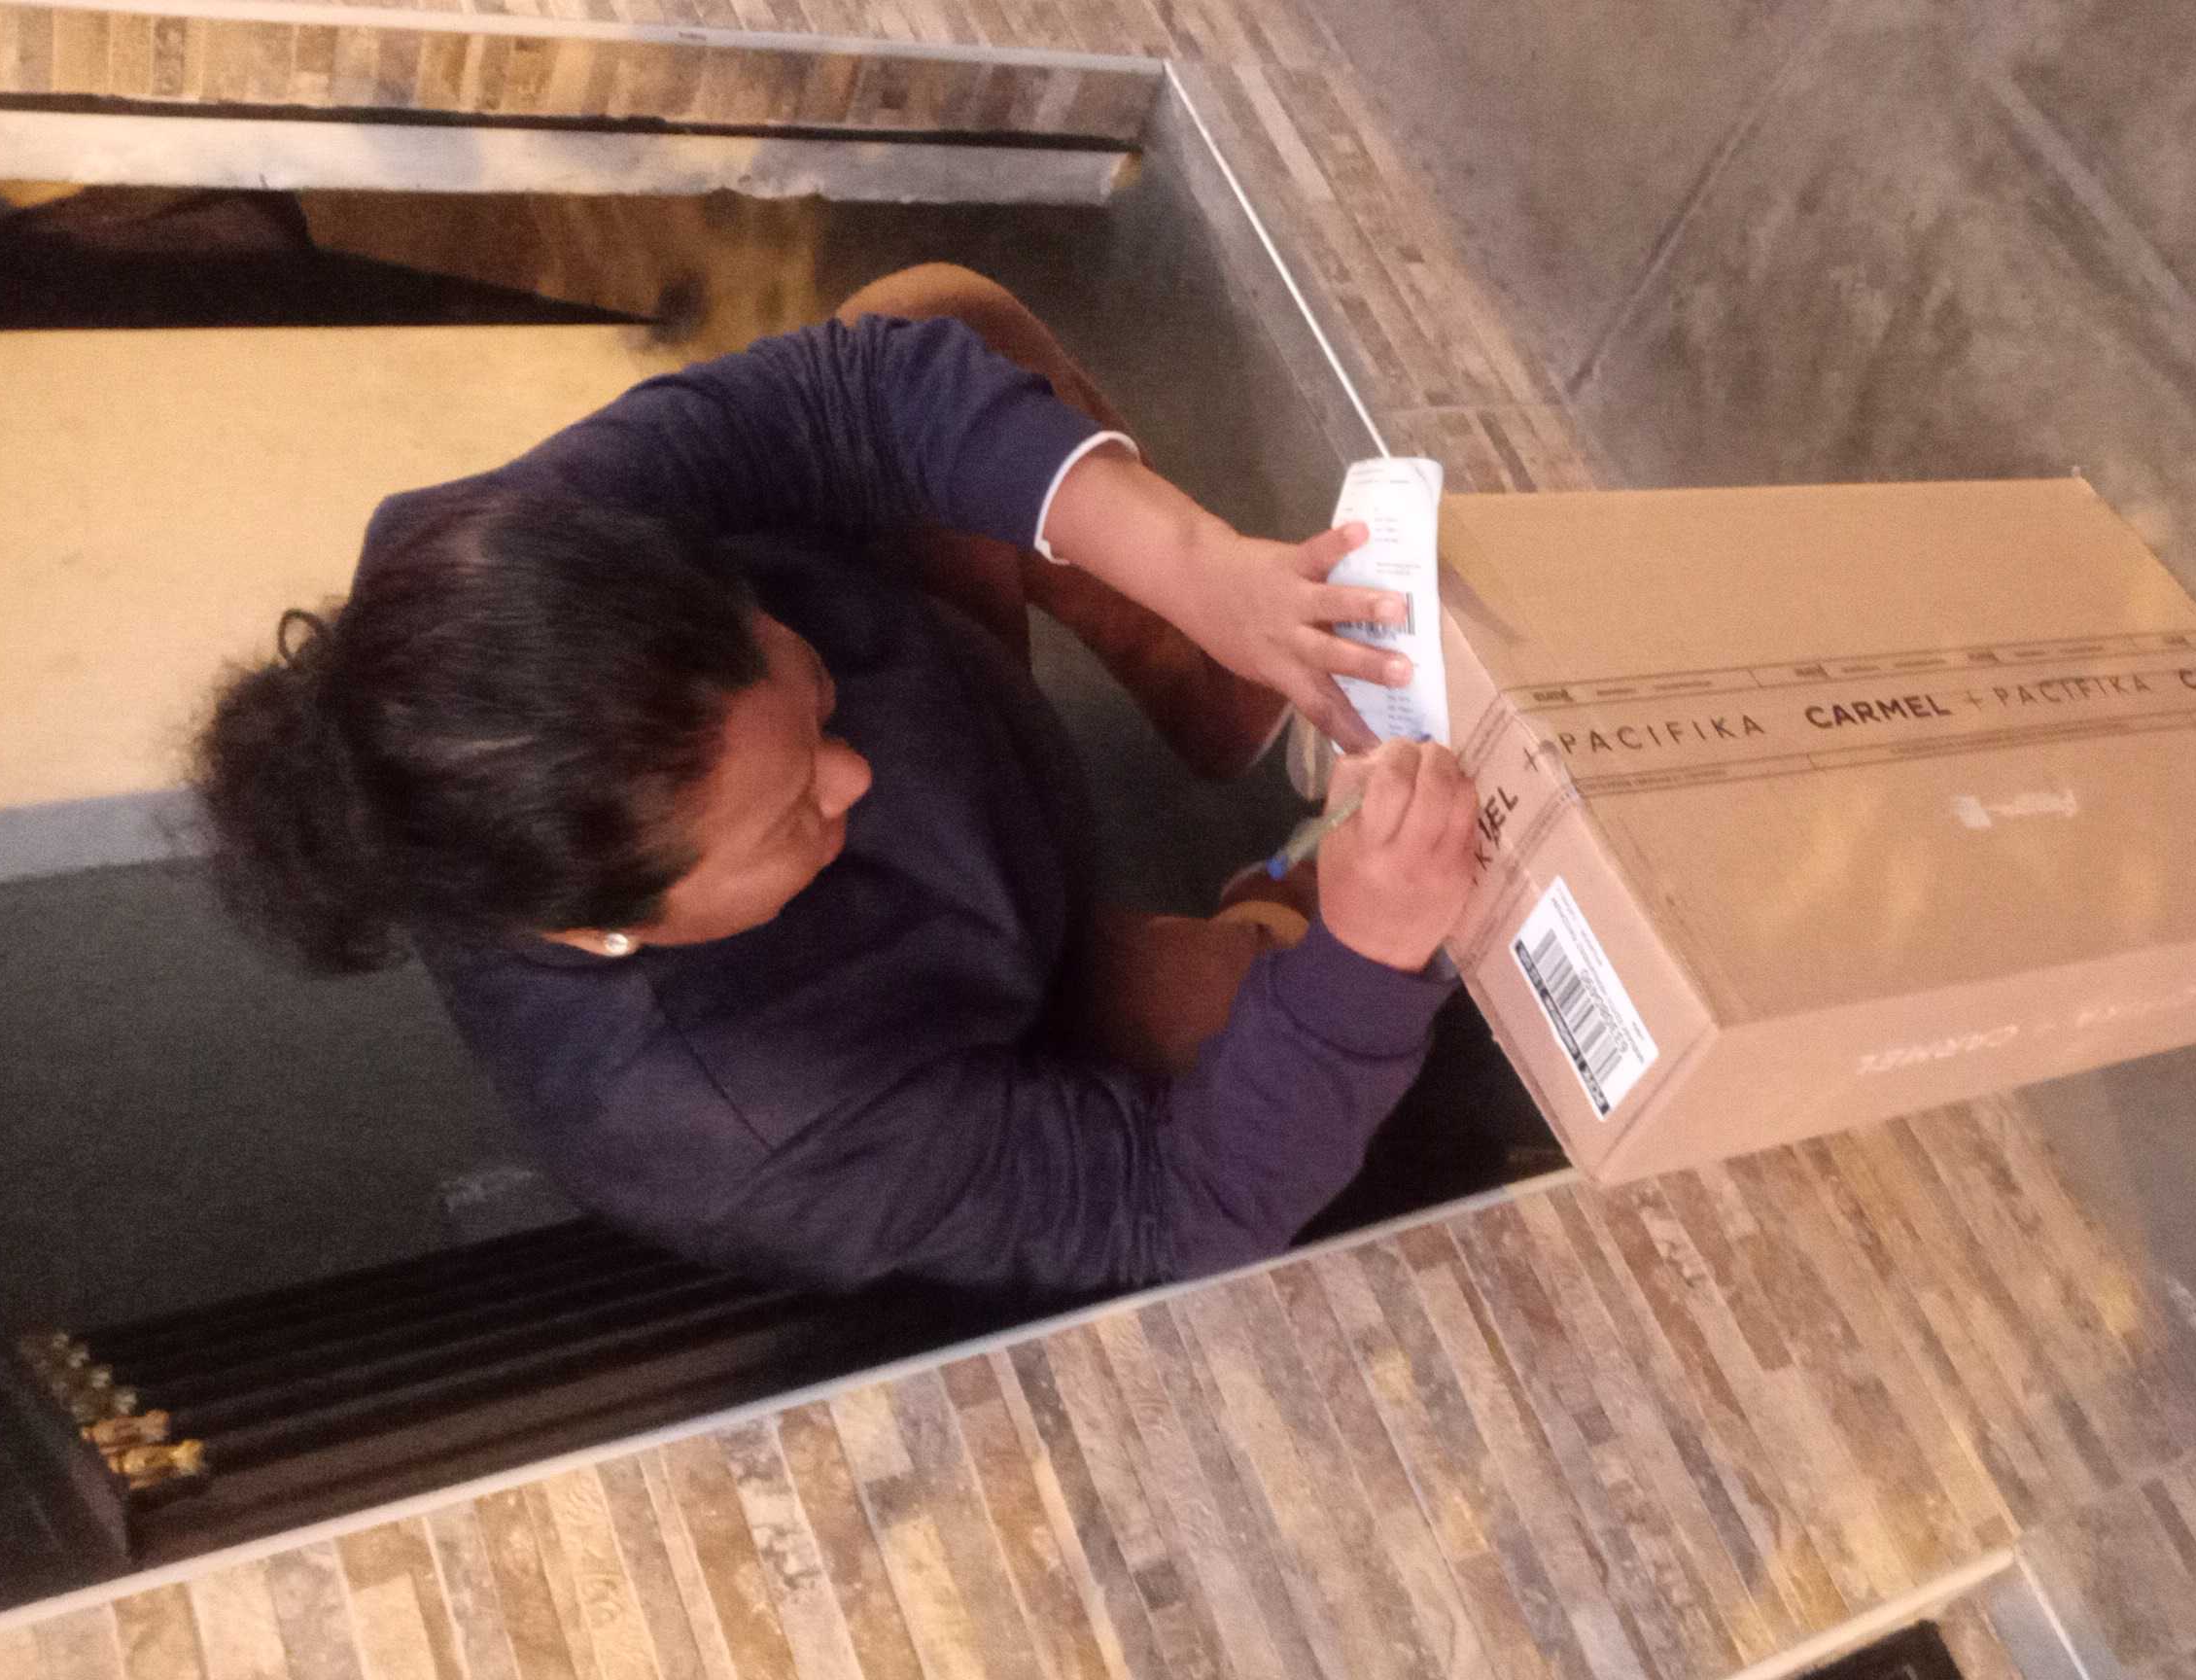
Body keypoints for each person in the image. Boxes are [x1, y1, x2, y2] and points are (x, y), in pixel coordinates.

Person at [192, 263, 1481, 1296]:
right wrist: (1365, 953)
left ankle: (1223, 676)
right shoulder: (733, 1127)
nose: (857, 771)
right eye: (791, 815)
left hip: (939, 654)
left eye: (809, 697)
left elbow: (858, 395)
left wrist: (1197, 570)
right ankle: (1292, 888)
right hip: (1002, 984)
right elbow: (1174, 1203)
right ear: (609, 930)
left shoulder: (508, 562)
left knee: (940, 315)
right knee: (1281, 999)